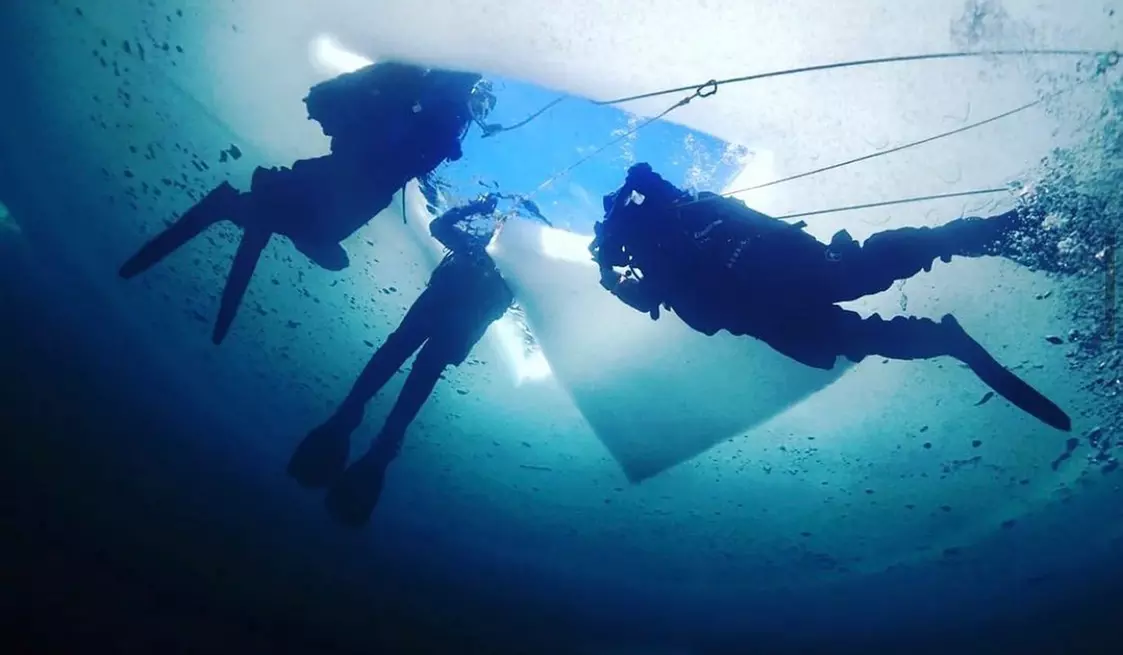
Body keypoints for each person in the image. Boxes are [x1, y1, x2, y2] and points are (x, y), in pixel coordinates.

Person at [589, 162, 1072, 431]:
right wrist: (608, 268)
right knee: (860, 320)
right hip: (773, 304)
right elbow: (648, 297)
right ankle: (952, 328)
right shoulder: (652, 253)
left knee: (866, 293)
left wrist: (639, 191)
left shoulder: (673, 212)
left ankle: (1001, 235)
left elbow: (677, 201)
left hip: (780, 280)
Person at [118, 61, 496, 344]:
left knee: (287, 226)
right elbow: (403, 138)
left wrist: (446, 141)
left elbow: (408, 142)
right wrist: (445, 140)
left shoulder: (443, 102)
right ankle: (240, 208)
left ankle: (243, 208)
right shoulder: (438, 97)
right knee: (292, 226)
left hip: (351, 184)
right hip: (352, 181)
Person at [288, 193, 518, 525]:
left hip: (438, 310)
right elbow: (503, 302)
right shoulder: (488, 262)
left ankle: (354, 424)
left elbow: (440, 226)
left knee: (396, 354)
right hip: (456, 323)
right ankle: (375, 440)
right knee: (422, 370)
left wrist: (476, 208)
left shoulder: (472, 250)